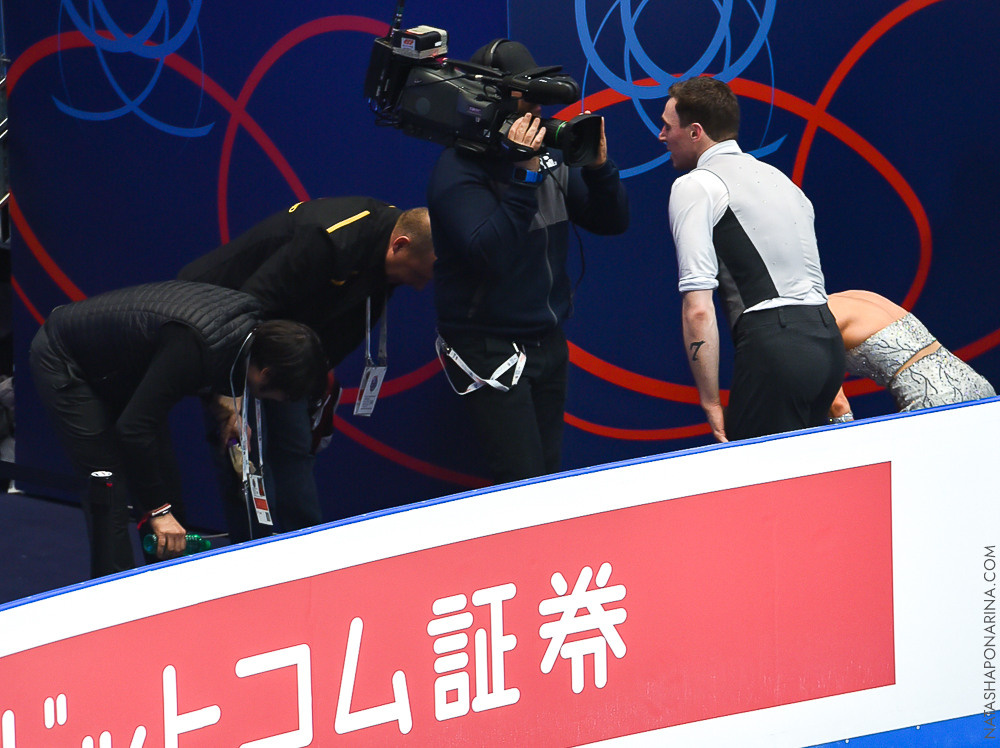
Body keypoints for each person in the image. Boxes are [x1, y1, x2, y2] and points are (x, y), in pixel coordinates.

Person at [428, 39, 629, 484]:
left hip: (547, 341)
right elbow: (489, 253)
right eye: (528, 100)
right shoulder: (458, 169)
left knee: (547, 478)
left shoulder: (546, 159)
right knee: (520, 481)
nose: (536, 112)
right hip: (491, 349)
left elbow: (610, 221)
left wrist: (598, 169)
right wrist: (523, 177)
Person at [29, 280, 328, 578]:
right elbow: (133, 430)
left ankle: (168, 583)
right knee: (108, 485)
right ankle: (114, 594)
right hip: (67, 357)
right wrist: (158, 511)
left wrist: (223, 406)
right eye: (277, 396)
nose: (272, 402)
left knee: (163, 482)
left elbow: (205, 366)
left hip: (121, 369)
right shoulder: (196, 346)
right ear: (266, 373)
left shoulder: (249, 331)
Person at [177, 197, 434, 539]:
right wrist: (227, 392)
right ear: (400, 246)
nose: (419, 285)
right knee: (243, 452)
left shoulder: (391, 254)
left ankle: (307, 546)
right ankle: (252, 554)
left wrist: (316, 378)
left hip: (286, 342)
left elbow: (347, 328)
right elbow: (247, 307)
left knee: (295, 448)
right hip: (220, 324)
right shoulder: (327, 240)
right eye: (416, 275)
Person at [659, 76, 844, 442]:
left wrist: (710, 401)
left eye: (667, 126)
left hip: (775, 350)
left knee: (764, 493)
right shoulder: (780, 179)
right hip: (827, 346)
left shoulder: (697, 185)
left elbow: (698, 308)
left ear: (695, 132)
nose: (661, 136)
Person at [826, 290, 995, 417]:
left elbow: (838, 405)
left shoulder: (818, 321)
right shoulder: (857, 295)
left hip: (934, 400)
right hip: (976, 384)